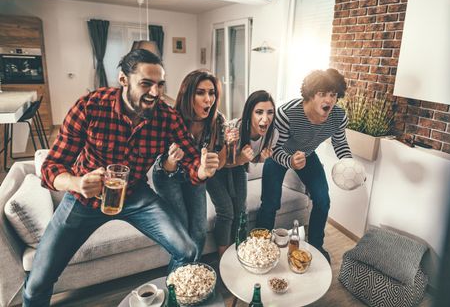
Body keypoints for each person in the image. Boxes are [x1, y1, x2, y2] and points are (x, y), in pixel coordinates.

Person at [22, 49, 219, 307]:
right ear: (123, 79)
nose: (155, 93)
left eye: (160, 85)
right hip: (83, 199)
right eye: (145, 84)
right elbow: (51, 167)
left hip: (136, 195)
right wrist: (76, 183)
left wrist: (202, 170)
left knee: (188, 250)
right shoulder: (90, 106)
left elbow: (193, 160)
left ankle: (174, 301)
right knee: (38, 281)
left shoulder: (166, 117)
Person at [255, 68, 352, 263]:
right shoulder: (286, 113)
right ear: (310, 95)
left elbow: (340, 143)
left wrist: (350, 164)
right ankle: (261, 247)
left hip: (307, 155)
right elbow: (273, 147)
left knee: (323, 199)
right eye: (322, 94)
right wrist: (290, 161)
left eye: (333, 95)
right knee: (270, 203)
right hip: (279, 155)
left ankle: (316, 245)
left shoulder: (339, 117)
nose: (329, 100)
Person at [152, 69, 225, 260]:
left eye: (212, 93)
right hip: (169, 176)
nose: (208, 99)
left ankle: (192, 275)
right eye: (200, 92)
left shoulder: (217, 121)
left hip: (196, 177)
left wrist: (212, 163)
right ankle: (179, 281)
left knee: (199, 232)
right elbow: (162, 166)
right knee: (182, 230)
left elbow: (220, 160)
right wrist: (171, 160)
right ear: (187, 94)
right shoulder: (170, 119)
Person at [206, 90, 278, 257]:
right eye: (259, 112)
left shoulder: (272, 133)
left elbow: (252, 159)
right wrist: (241, 159)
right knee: (226, 211)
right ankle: (224, 257)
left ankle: (241, 251)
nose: (265, 118)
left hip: (238, 166)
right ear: (249, 113)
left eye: (270, 112)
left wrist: (260, 159)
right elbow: (222, 164)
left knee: (241, 210)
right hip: (215, 168)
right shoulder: (234, 129)